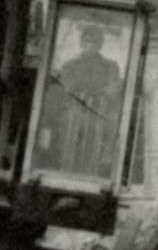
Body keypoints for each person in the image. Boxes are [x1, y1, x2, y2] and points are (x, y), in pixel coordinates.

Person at [44, 24, 124, 178]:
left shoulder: (110, 66)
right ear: (81, 43)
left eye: (96, 42)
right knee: (65, 126)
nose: (91, 45)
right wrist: (83, 89)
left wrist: (100, 92)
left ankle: (105, 164)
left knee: (115, 125)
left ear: (100, 45)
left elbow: (114, 87)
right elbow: (66, 87)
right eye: (88, 41)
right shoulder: (70, 65)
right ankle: (61, 166)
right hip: (75, 109)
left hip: (101, 111)